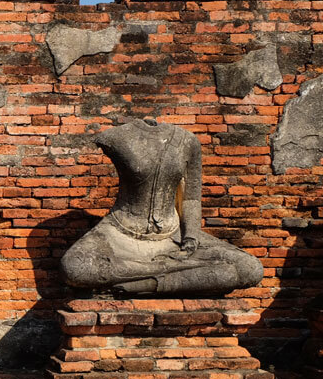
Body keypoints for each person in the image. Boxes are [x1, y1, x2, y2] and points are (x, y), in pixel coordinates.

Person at [61, 118, 263, 295]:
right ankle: (171, 272)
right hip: (120, 234)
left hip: (173, 237)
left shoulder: (187, 141)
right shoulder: (117, 136)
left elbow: (191, 199)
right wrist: (170, 265)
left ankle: (144, 285)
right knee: (76, 267)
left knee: (250, 269)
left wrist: (191, 239)